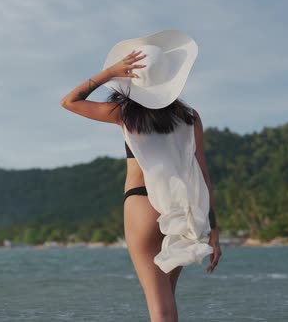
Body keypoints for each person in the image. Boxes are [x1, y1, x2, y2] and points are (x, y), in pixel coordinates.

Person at [60, 30, 222, 322]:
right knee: (167, 300)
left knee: (159, 307)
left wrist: (109, 72)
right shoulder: (190, 118)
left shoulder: (124, 113)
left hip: (142, 206)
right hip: (183, 208)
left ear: (134, 78)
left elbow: (70, 101)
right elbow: (202, 172)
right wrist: (214, 228)